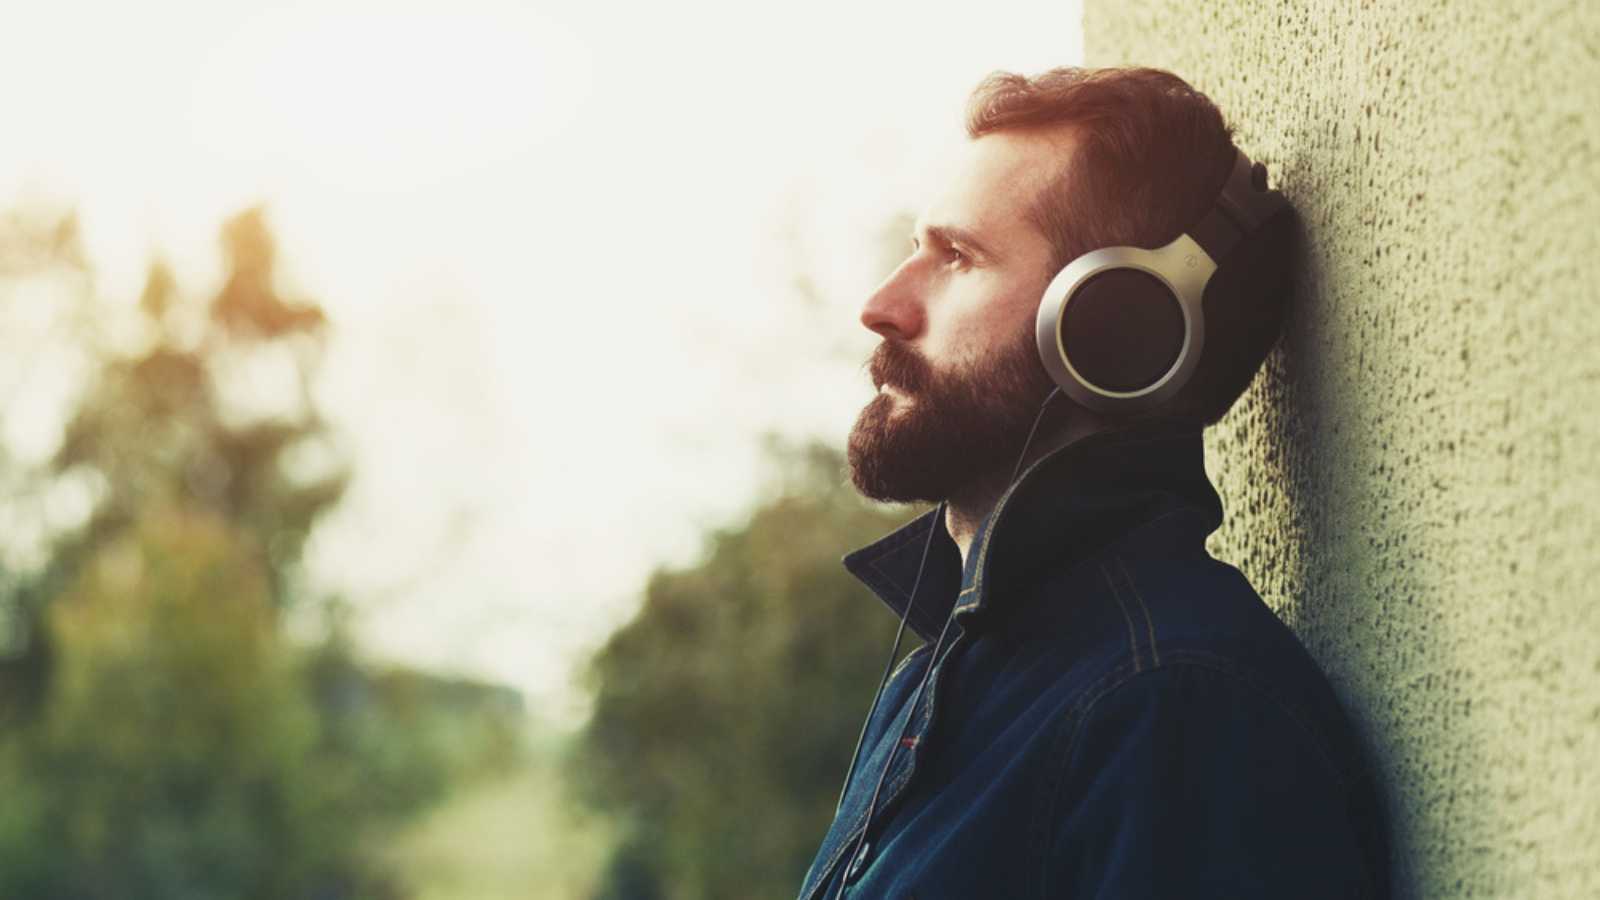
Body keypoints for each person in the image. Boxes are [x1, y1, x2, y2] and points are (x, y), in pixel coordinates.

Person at [796, 67, 1391, 899]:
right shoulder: (944, 683)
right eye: (914, 249)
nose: (882, 305)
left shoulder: (1175, 707)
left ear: (1117, 325)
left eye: (958, 258)